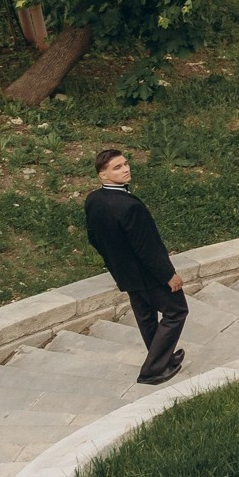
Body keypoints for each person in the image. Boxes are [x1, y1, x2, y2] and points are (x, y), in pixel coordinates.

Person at [84, 149, 187, 385]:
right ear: (103, 176)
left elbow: (94, 238)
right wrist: (169, 275)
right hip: (148, 275)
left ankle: (163, 357)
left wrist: (116, 262)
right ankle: (152, 370)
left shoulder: (94, 199)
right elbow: (147, 247)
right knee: (176, 311)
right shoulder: (129, 207)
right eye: (117, 167)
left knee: (146, 317)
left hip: (125, 274)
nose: (126, 169)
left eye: (125, 163)